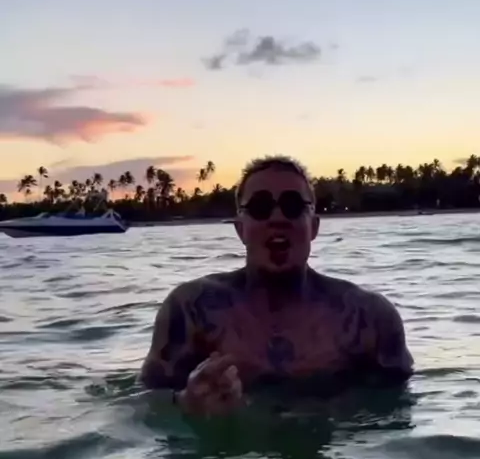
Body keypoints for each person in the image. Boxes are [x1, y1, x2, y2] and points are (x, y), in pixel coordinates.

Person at [140, 155, 414, 415]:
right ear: (240, 229)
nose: (277, 218)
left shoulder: (369, 318)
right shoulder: (191, 310)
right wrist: (187, 402)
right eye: (260, 207)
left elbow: (398, 409)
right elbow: (145, 402)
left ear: (314, 226)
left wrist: (337, 410)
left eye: (293, 206)